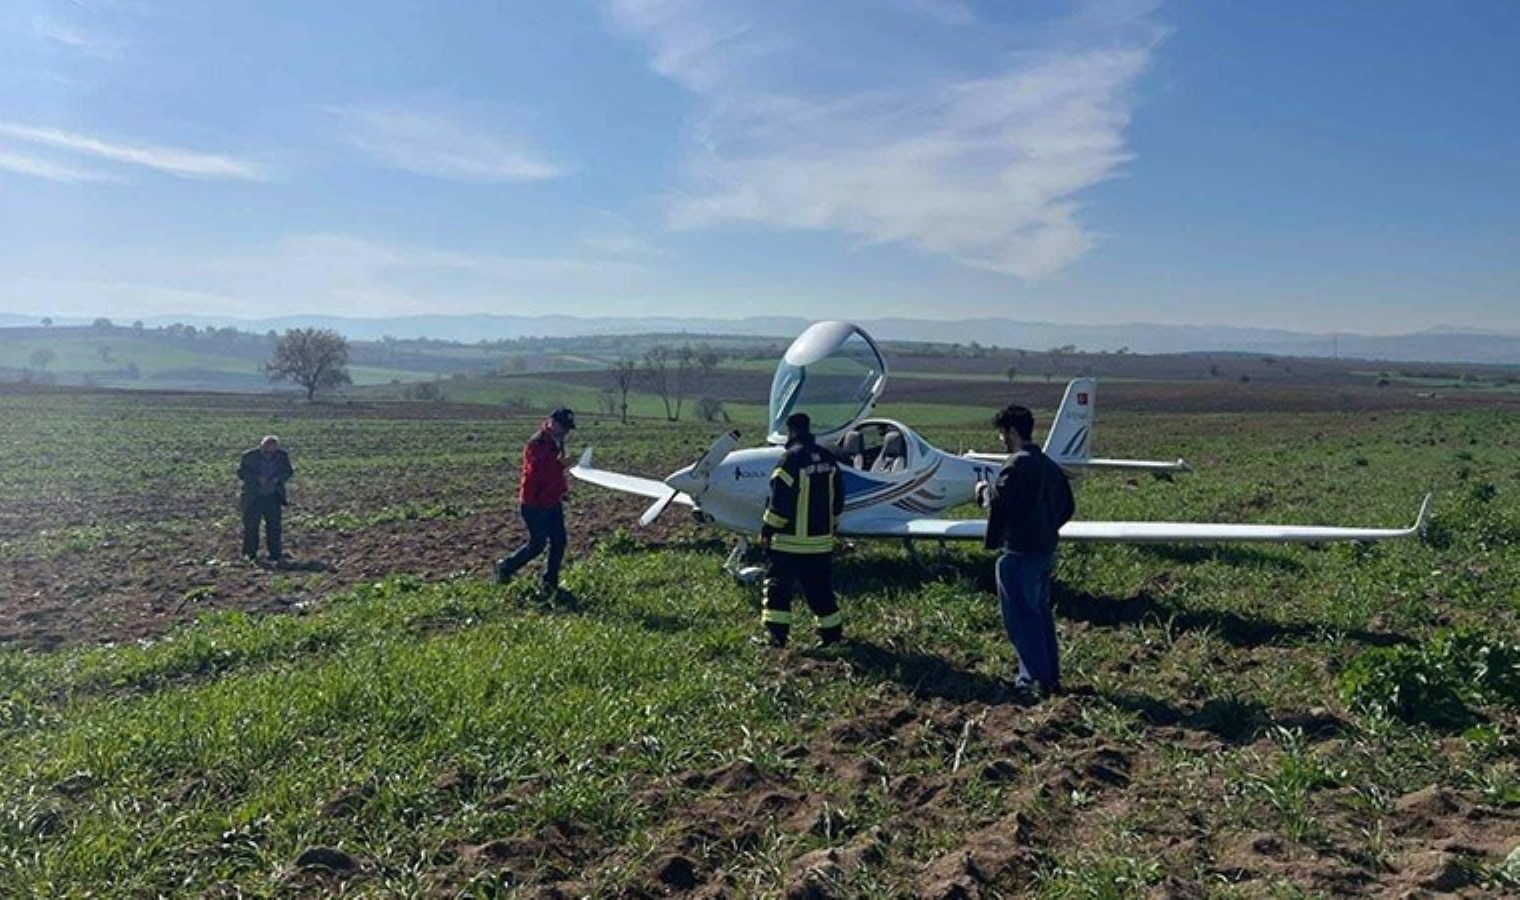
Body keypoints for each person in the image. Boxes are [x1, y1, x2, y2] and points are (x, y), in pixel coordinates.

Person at [977, 403, 1076, 702]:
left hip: (1019, 553)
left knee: (1021, 619)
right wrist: (1046, 529)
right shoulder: (1048, 465)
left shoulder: (1016, 464)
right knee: (1040, 615)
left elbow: (1000, 500)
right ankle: (1048, 678)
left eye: (1002, 434)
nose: (1001, 440)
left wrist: (982, 491)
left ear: (1012, 431)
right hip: (1044, 551)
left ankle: (1030, 681)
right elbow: (1067, 506)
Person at [759, 412, 846, 648]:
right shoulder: (828, 459)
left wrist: (767, 529)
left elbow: (780, 503)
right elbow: (838, 498)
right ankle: (832, 636)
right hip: (820, 543)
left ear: (790, 431)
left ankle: (776, 637)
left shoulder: (789, 460)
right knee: (820, 591)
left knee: (777, 590)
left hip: (788, 543)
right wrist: (832, 525)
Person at [496, 407, 575, 596]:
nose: (566, 432)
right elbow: (536, 472)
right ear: (552, 422)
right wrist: (559, 465)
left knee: (559, 542)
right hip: (534, 503)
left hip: (552, 500)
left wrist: (561, 491)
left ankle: (550, 584)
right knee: (538, 544)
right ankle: (505, 567)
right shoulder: (536, 443)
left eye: (568, 428)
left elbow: (555, 474)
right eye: (563, 427)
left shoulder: (557, 440)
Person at [238, 435, 294, 564]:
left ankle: (275, 555)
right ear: (261, 446)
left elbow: (288, 471)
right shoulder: (249, 456)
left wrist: (277, 479)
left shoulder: (282, 456)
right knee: (251, 527)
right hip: (254, 497)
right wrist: (257, 478)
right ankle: (249, 554)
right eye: (266, 449)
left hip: (273, 497)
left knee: (274, 527)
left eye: (272, 450)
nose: (269, 452)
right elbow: (242, 473)